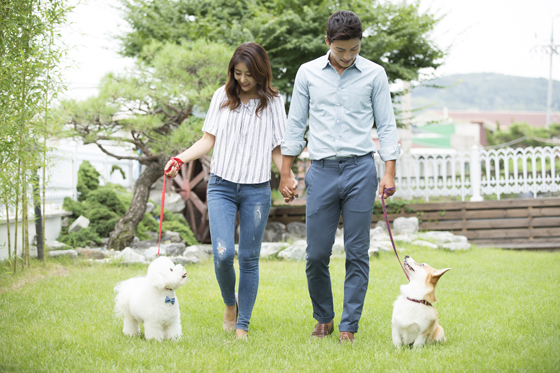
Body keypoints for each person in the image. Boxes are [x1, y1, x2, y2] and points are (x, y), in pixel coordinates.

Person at [279, 10, 400, 343]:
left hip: (361, 169)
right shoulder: (307, 74)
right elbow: (295, 124)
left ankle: (349, 325)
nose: (348, 56)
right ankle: (324, 317)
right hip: (320, 170)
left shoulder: (375, 74)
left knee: (357, 252)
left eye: (355, 49)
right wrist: (285, 170)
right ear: (328, 42)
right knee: (316, 254)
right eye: (341, 50)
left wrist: (389, 170)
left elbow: (386, 125)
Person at [164, 42, 294, 339]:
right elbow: (207, 140)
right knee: (222, 254)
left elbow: (278, 147)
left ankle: (242, 325)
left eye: (249, 74)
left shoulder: (273, 101)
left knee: (249, 258)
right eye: (238, 73)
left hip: (257, 189)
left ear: (261, 72)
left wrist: (286, 177)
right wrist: (179, 158)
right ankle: (229, 304)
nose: (243, 80)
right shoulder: (221, 97)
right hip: (221, 185)